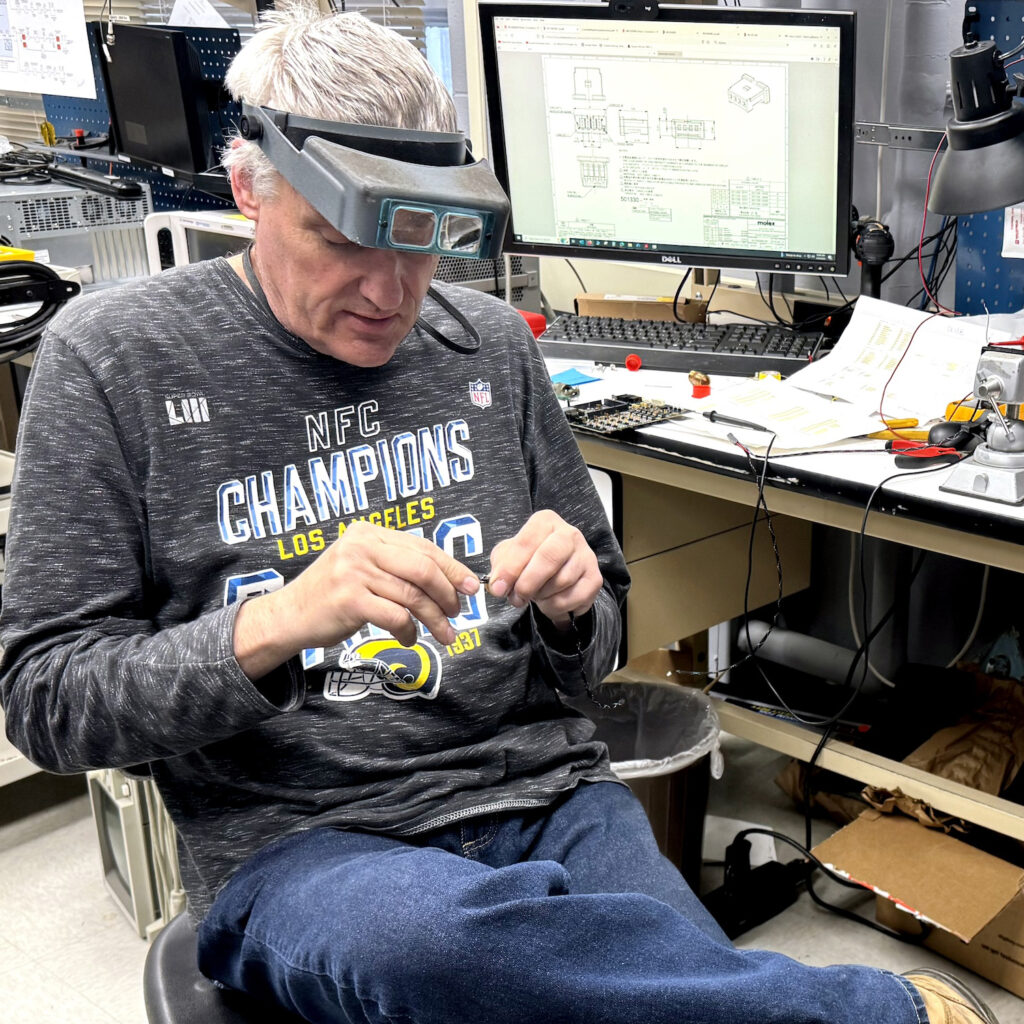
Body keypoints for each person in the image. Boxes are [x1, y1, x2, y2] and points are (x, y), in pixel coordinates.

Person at [0, 6, 999, 1024]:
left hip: (547, 798)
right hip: (304, 845)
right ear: (250, 188)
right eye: (343, 240)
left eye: (422, 242)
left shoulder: (485, 342)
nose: (391, 290)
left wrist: (571, 608)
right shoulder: (114, 358)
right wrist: (276, 626)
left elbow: (599, 633)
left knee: (642, 992)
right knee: (452, 953)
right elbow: (46, 701)